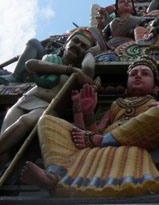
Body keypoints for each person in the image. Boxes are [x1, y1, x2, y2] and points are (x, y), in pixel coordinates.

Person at [21, 56, 159, 197]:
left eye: (145, 74)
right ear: (126, 84)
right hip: (100, 143)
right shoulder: (116, 105)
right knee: (47, 120)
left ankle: (105, 141)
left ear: (155, 88)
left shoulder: (157, 103)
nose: (138, 75)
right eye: (133, 73)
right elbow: (88, 135)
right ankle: (53, 176)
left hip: (133, 143)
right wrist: (84, 111)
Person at [0, 28, 95, 158]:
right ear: (67, 42)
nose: (78, 46)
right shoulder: (53, 60)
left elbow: (89, 70)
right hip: (27, 99)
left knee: (26, 121)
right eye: (75, 41)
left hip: (47, 106)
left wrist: (91, 52)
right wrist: (68, 69)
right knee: (4, 137)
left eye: (83, 46)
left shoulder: (80, 73)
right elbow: (31, 64)